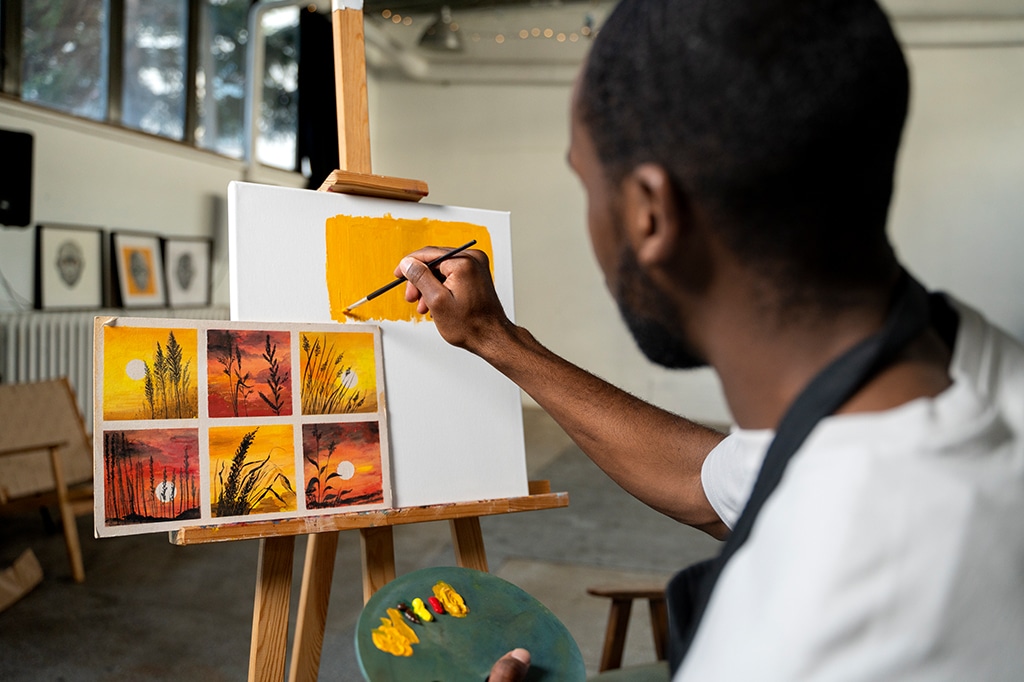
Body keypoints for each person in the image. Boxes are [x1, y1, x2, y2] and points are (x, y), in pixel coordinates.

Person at [397, 0, 1024, 679]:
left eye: (587, 182)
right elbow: (710, 483)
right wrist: (498, 340)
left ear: (649, 214)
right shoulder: (951, 359)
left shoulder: (820, 626)